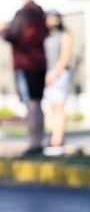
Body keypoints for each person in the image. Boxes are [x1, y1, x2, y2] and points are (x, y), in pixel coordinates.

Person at [0, 0, 48, 155]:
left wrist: (0, 30)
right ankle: (39, 141)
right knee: (38, 102)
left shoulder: (24, 13)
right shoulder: (40, 12)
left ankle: (34, 144)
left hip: (26, 64)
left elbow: (13, 34)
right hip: (40, 62)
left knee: (31, 103)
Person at [43, 9, 72, 155]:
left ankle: (58, 140)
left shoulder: (64, 35)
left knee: (59, 106)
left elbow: (65, 56)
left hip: (59, 74)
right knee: (52, 107)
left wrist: (54, 73)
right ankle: (54, 137)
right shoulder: (46, 36)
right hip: (47, 74)